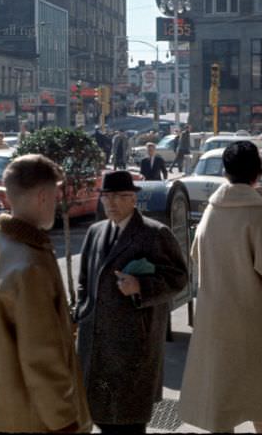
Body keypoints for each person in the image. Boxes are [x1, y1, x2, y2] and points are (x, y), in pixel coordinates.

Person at [179, 141, 262, 433]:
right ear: (258, 173)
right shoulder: (257, 214)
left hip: (215, 319)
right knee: (260, 398)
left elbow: (196, 254)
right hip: (253, 321)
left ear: (225, 172)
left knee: (222, 399)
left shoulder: (212, 211)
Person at [0, 154, 92, 433]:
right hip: (28, 417)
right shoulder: (30, 264)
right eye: (55, 196)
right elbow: (41, 357)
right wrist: (64, 421)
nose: (57, 204)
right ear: (43, 196)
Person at [76, 171, 188, 434]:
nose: (112, 203)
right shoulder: (96, 232)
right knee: (100, 416)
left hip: (134, 344)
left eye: (121, 196)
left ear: (133, 199)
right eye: (107, 197)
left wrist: (141, 287)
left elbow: (179, 277)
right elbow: (84, 280)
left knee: (130, 420)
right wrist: (82, 313)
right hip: (96, 344)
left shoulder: (154, 233)